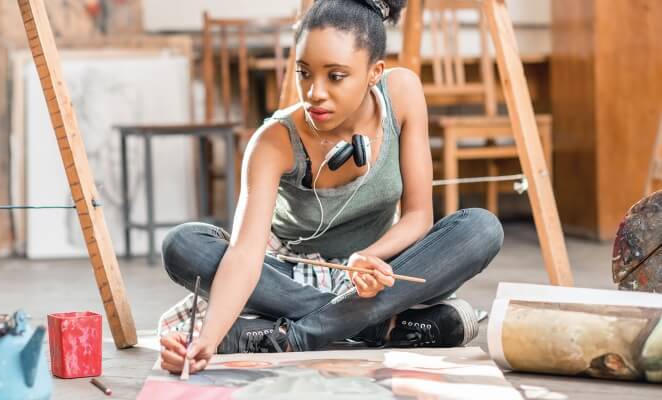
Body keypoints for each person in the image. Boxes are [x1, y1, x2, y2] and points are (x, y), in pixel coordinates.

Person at [158, 0, 503, 375]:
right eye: (304, 73)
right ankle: (373, 324)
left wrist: (367, 259)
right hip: (289, 275)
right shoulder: (272, 142)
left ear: (375, 72)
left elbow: (419, 215)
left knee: (481, 229)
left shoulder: (402, 93)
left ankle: (298, 335)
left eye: (335, 76)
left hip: (379, 273)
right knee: (183, 245)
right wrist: (207, 340)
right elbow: (244, 255)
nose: (314, 93)